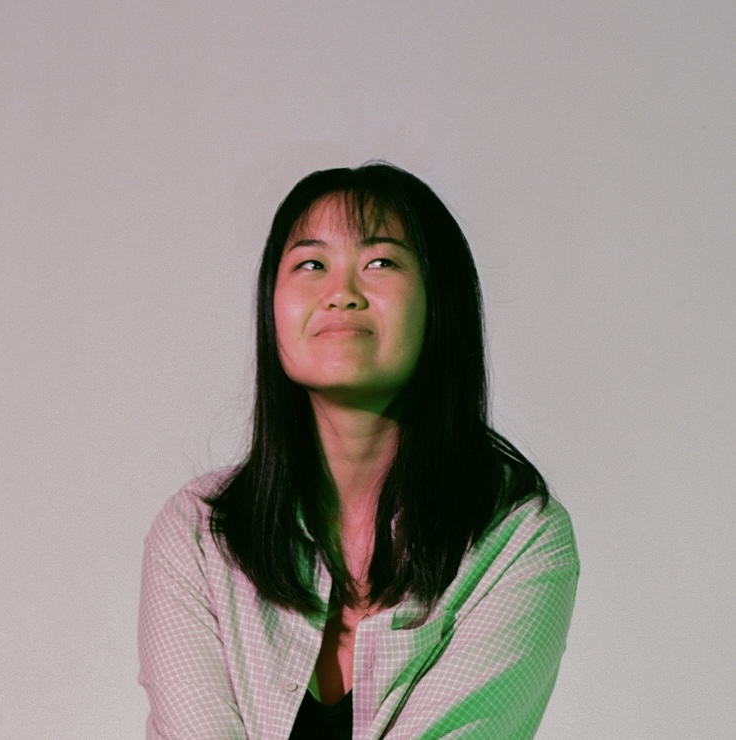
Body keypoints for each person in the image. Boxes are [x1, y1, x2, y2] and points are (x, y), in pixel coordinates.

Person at [138, 162, 579, 739]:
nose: (341, 294)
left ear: (440, 300)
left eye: (380, 262)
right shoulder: (199, 532)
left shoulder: (518, 538)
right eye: (311, 264)